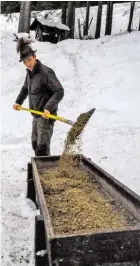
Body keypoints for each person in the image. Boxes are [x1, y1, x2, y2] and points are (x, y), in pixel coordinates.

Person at [13, 37, 64, 156]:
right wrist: (18, 102)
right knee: (35, 144)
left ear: (34, 56)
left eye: (29, 60)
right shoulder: (30, 73)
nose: (27, 64)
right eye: (25, 62)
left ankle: (45, 172)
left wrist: (48, 108)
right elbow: (25, 89)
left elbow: (59, 91)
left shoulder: (45, 72)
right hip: (36, 115)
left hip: (46, 116)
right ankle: (39, 171)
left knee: (42, 148)